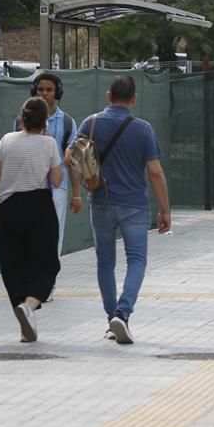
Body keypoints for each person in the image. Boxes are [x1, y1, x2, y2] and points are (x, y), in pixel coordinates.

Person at [72, 75, 171, 345]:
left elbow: (72, 157)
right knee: (136, 260)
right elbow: (155, 171)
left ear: (108, 96)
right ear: (133, 99)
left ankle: (111, 319)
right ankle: (123, 313)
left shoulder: (90, 124)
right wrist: (165, 210)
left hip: (101, 200)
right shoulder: (143, 129)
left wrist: (79, 189)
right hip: (135, 205)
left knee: (105, 262)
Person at [0, 98, 64, 343]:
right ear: (44, 121)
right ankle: (29, 305)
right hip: (39, 205)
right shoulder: (49, 143)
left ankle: (24, 316)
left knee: (13, 266)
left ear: (22, 118)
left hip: (9, 207)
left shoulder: (6, 140)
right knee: (48, 264)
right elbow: (57, 180)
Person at [28, 72, 81, 299]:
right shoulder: (23, 120)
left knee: (52, 237)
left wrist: (76, 194)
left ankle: (48, 283)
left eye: (49, 90)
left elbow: (73, 161)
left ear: (56, 93)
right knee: (30, 237)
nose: (44, 94)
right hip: (29, 186)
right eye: (40, 90)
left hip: (56, 190)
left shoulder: (67, 122)